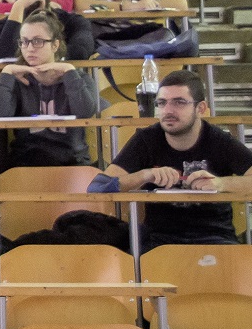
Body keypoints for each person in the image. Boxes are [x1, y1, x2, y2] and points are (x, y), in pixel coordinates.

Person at [91, 70, 252, 248]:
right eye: (162, 103)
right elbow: (98, 188)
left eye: (179, 102)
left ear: (201, 109)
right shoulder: (146, 139)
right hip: (159, 239)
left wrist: (220, 184)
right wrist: (145, 175)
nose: (168, 110)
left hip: (215, 236)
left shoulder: (220, 140)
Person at [0, 10, 98, 168]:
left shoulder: (78, 78)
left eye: (37, 41)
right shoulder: (16, 80)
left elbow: (85, 111)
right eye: (24, 42)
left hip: (71, 163)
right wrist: (6, 73)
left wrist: (69, 72)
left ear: (55, 44)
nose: (30, 48)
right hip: (25, 164)